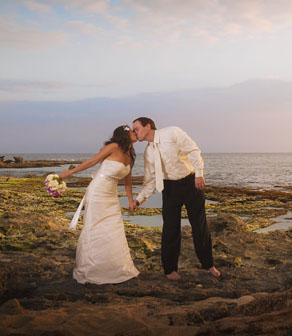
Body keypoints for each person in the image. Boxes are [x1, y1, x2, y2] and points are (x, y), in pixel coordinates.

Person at [131, 117, 220, 281]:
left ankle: (209, 265)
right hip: (169, 188)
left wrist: (199, 174)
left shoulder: (172, 132)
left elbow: (193, 151)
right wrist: (139, 199)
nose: (134, 132)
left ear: (148, 126)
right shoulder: (148, 153)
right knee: (170, 229)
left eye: (136, 128)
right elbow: (150, 180)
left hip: (190, 182)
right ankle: (170, 269)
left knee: (199, 225)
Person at [59, 125, 139, 285]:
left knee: (113, 227)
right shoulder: (112, 147)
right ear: (124, 134)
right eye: (132, 131)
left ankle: (113, 268)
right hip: (98, 191)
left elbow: (128, 181)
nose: (135, 133)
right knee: (95, 227)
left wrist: (130, 200)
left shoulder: (129, 154)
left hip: (111, 195)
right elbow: (92, 161)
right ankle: (91, 269)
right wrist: (69, 173)